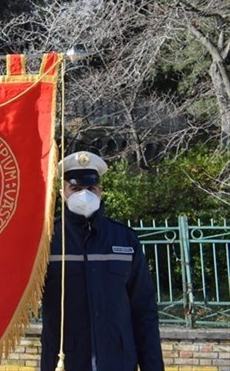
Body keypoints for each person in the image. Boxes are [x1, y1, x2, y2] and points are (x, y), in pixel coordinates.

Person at [41, 151, 165, 371]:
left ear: (100, 191)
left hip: (118, 361)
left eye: (91, 188)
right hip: (65, 361)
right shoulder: (48, 241)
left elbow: (144, 311)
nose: (85, 195)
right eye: (76, 189)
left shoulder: (125, 240)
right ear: (63, 192)